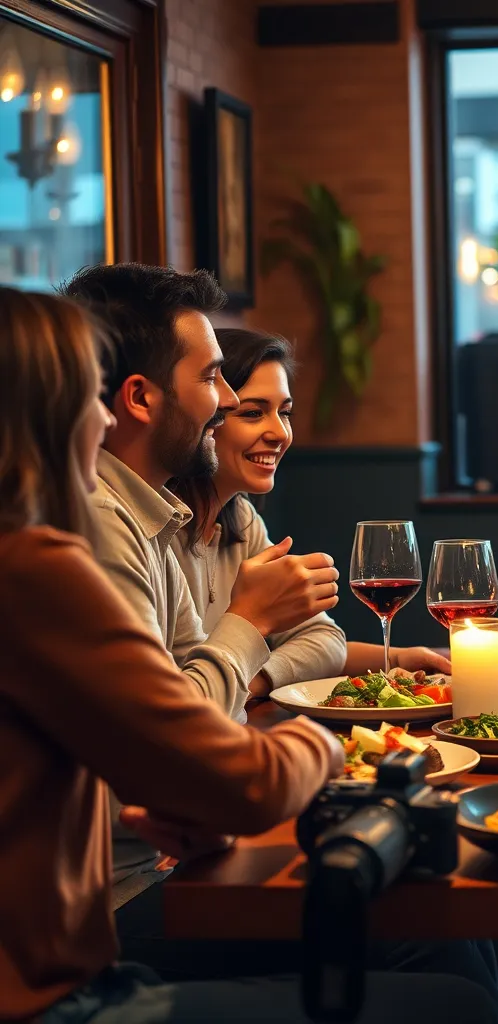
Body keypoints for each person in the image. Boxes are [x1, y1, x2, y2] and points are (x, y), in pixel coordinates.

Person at [0, 287, 498, 1024]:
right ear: (45, 417)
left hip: (106, 914)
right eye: (87, 395)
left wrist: (156, 799)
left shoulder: (103, 534)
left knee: (446, 944)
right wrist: (345, 747)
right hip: (61, 991)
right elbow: (247, 780)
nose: (102, 419)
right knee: (452, 994)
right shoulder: (39, 565)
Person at [59, 264, 340, 908]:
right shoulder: (99, 521)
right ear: (140, 397)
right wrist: (250, 623)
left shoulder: (155, 512)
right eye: (212, 378)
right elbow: (176, 747)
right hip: (113, 902)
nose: (222, 402)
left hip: (165, 860)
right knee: (426, 952)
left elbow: (205, 715)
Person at [169, 327, 449, 698]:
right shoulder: (159, 533)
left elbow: (323, 638)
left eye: (284, 413)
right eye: (253, 413)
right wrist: (247, 684)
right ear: (208, 417)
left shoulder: (242, 521)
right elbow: (181, 697)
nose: (279, 433)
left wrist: (396, 658)